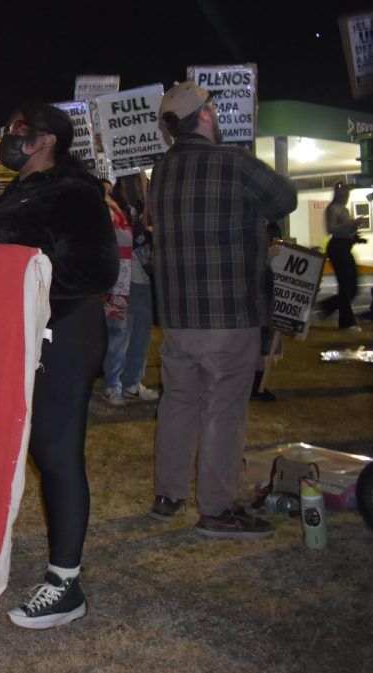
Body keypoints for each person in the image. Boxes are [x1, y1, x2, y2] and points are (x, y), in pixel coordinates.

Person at [0, 104, 117, 630]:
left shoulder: (76, 191)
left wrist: (23, 290)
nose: (8, 138)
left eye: (18, 131)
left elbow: (95, 268)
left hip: (63, 332)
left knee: (55, 450)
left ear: (47, 140)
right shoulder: (16, 191)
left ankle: (65, 581)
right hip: (9, 334)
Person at [148, 81, 296, 539]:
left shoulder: (161, 170)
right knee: (223, 409)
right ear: (207, 116)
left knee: (179, 401)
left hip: (177, 313)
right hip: (228, 311)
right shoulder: (233, 163)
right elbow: (285, 198)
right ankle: (216, 508)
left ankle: (168, 494)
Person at [114, 172, 158, 401]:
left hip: (137, 278)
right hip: (127, 279)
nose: (144, 188)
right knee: (128, 334)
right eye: (140, 184)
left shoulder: (135, 209)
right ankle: (124, 382)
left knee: (137, 333)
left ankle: (128, 381)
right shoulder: (117, 209)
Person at [99, 180, 134, 406]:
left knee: (118, 331)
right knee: (114, 332)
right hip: (108, 277)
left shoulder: (114, 207)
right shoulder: (102, 208)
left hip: (119, 277)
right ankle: (111, 384)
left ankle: (113, 382)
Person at [318, 181, 362, 330]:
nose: (347, 195)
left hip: (345, 246)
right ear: (338, 193)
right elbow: (331, 229)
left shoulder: (344, 209)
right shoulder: (333, 209)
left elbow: (344, 230)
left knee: (352, 287)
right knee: (345, 285)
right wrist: (351, 224)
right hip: (337, 247)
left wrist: (355, 235)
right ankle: (346, 322)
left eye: (348, 193)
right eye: (344, 192)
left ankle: (327, 306)